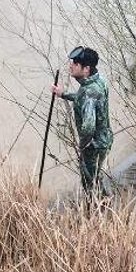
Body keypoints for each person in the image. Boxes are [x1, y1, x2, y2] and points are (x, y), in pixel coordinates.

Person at [52, 46, 113, 195]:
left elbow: (88, 127)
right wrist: (63, 94)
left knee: (89, 183)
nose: (70, 66)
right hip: (105, 139)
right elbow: (86, 98)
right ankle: (103, 204)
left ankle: (97, 210)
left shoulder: (88, 92)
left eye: (75, 64)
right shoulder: (99, 81)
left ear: (86, 69)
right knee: (95, 177)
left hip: (93, 146)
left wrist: (82, 146)